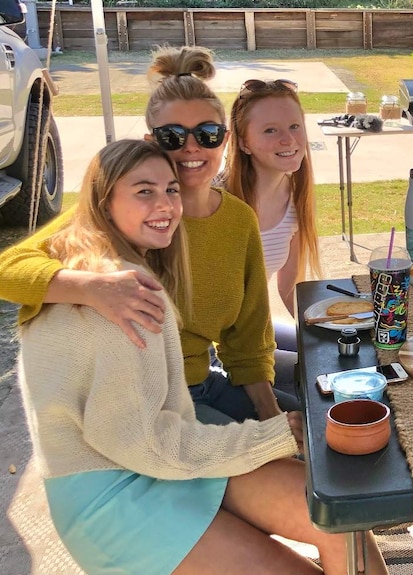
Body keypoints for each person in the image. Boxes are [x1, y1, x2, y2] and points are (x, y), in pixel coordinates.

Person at [19, 138, 387, 575]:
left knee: (342, 523)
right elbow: (144, 444)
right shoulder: (119, 294)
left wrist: (273, 429)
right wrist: (274, 436)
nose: (166, 205)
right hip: (114, 493)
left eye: (171, 189)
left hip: (163, 453)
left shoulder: (88, 263)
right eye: (144, 191)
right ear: (103, 200)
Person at [0, 46, 298, 424]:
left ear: (225, 139)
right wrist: (91, 287)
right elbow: (9, 269)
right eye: (173, 136)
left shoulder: (238, 219)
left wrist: (273, 420)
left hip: (204, 382)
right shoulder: (121, 213)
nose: (191, 147)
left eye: (207, 133)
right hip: (145, 404)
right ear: (150, 141)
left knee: (313, 438)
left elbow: (248, 341)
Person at [220, 77, 322, 376]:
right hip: (217, 344)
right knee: (314, 372)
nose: (288, 140)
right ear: (243, 142)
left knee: (334, 352)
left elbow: (290, 287)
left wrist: (331, 327)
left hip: (253, 327)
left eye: (294, 126)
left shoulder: (297, 197)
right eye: (270, 130)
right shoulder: (216, 202)